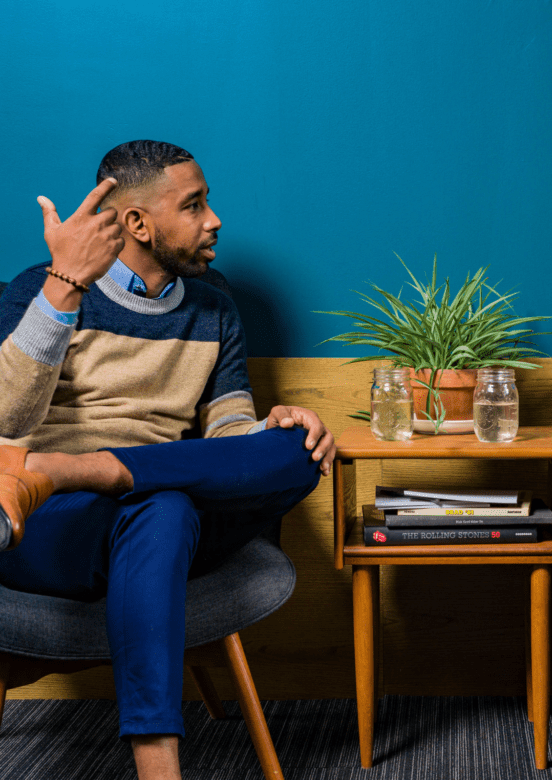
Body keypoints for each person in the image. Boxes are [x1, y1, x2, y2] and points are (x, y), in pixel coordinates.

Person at [0, 140, 336, 780]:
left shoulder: (214, 310)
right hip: (49, 526)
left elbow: (227, 430)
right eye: (195, 204)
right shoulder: (38, 290)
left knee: (300, 449)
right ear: (137, 223)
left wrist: (268, 428)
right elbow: (3, 423)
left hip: (113, 495)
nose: (214, 220)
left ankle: (70, 469)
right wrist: (63, 287)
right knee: (166, 505)